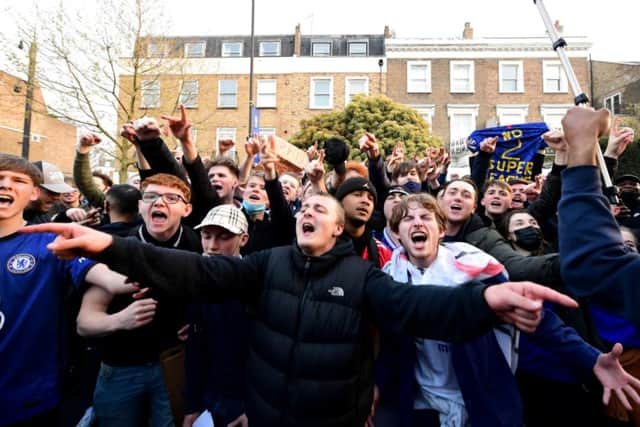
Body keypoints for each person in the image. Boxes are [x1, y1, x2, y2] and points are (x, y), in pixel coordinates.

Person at [27, 192, 579, 427]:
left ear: (339, 228)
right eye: (304, 208)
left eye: (321, 208)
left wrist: (483, 298)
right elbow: (197, 270)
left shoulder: (365, 276)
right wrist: (110, 245)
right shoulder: (266, 264)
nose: (308, 211)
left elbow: (417, 308)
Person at [0, 154, 136, 427]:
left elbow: (107, 278)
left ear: (33, 194)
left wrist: (163, 277)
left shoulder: (50, 243)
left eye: (18, 180)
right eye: (0, 178)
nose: (5, 185)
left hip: (29, 401)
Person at [76, 173, 200, 427]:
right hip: (121, 367)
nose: (159, 203)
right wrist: (119, 320)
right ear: (141, 206)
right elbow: (85, 322)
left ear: (186, 209)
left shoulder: (197, 244)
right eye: (151, 197)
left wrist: (199, 319)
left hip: (175, 365)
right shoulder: (117, 248)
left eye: (171, 198)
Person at [183, 205, 251, 427]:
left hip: (241, 405)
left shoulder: (256, 283)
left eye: (223, 237)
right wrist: (192, 405)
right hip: (206, 402)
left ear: (244, 239)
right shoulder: (195, 279)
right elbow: (196, 349)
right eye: (206, 236)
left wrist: (247, 406)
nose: (212, 246)